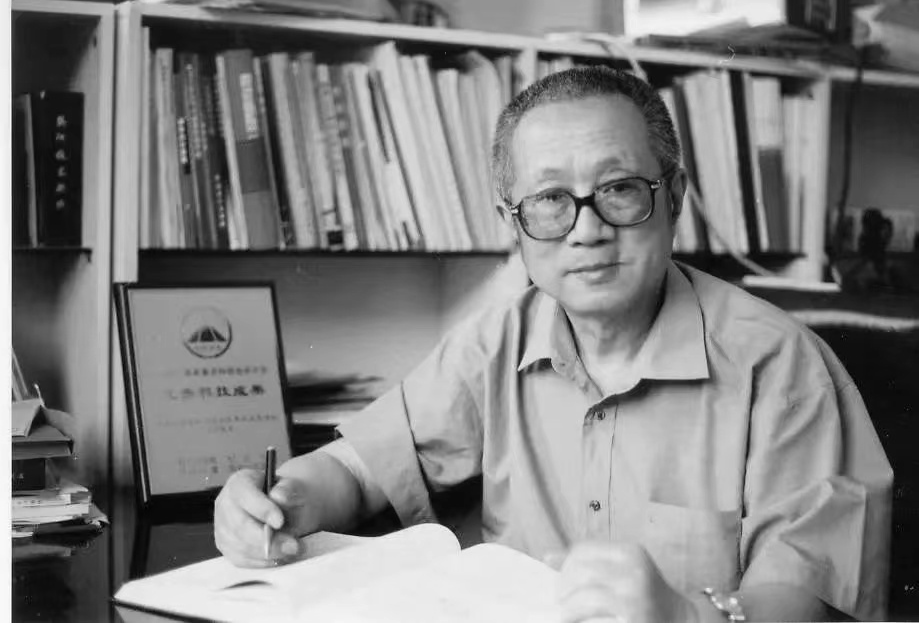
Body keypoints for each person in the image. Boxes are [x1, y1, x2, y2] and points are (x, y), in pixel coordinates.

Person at [214, 66, 892, 622]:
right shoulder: (494, 342)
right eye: (549, 200)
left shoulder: (782, 367)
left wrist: (688, 617)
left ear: (675, 197)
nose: (586, 230)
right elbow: (358, 470)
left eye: (619, 189)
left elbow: (803, 602)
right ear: (511, 221)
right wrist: (281, 502)